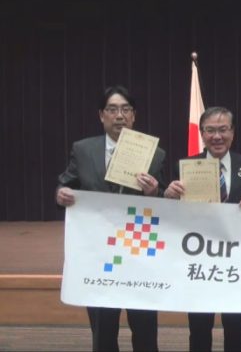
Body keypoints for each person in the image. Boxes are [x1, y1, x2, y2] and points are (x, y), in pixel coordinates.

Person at [56, 85, 166, 352]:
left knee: (144, 327)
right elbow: (65, 184)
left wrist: (154, 192)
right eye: (113, 109)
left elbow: (165, 202)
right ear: (101, 115)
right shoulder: (83, 149)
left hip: (138, 250)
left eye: (126, 109)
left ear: (134, 116)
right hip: (99, 253)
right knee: (103, 329)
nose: (119, 116)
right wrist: (61, 194)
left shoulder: (154, 152)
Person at [164, 106, 241, 352]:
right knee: (199, 325)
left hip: (236, 257)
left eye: (223, 130)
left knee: (236, 323)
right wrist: (168, 195)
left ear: (232, 132)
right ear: (201, 133)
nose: (217, 136)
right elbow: (173, 214)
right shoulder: (186, 166)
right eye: (210, 130)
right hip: (199, 256)